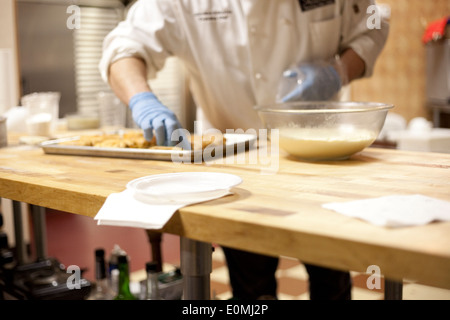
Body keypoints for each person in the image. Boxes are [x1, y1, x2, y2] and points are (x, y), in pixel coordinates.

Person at [99, 0, 389, 300]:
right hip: (234, 167)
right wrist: (141, 99)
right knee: (251, 289)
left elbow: (374, 26)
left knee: (332, 281)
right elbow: (125, 44)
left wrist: (338, 71)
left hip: (320, 160)